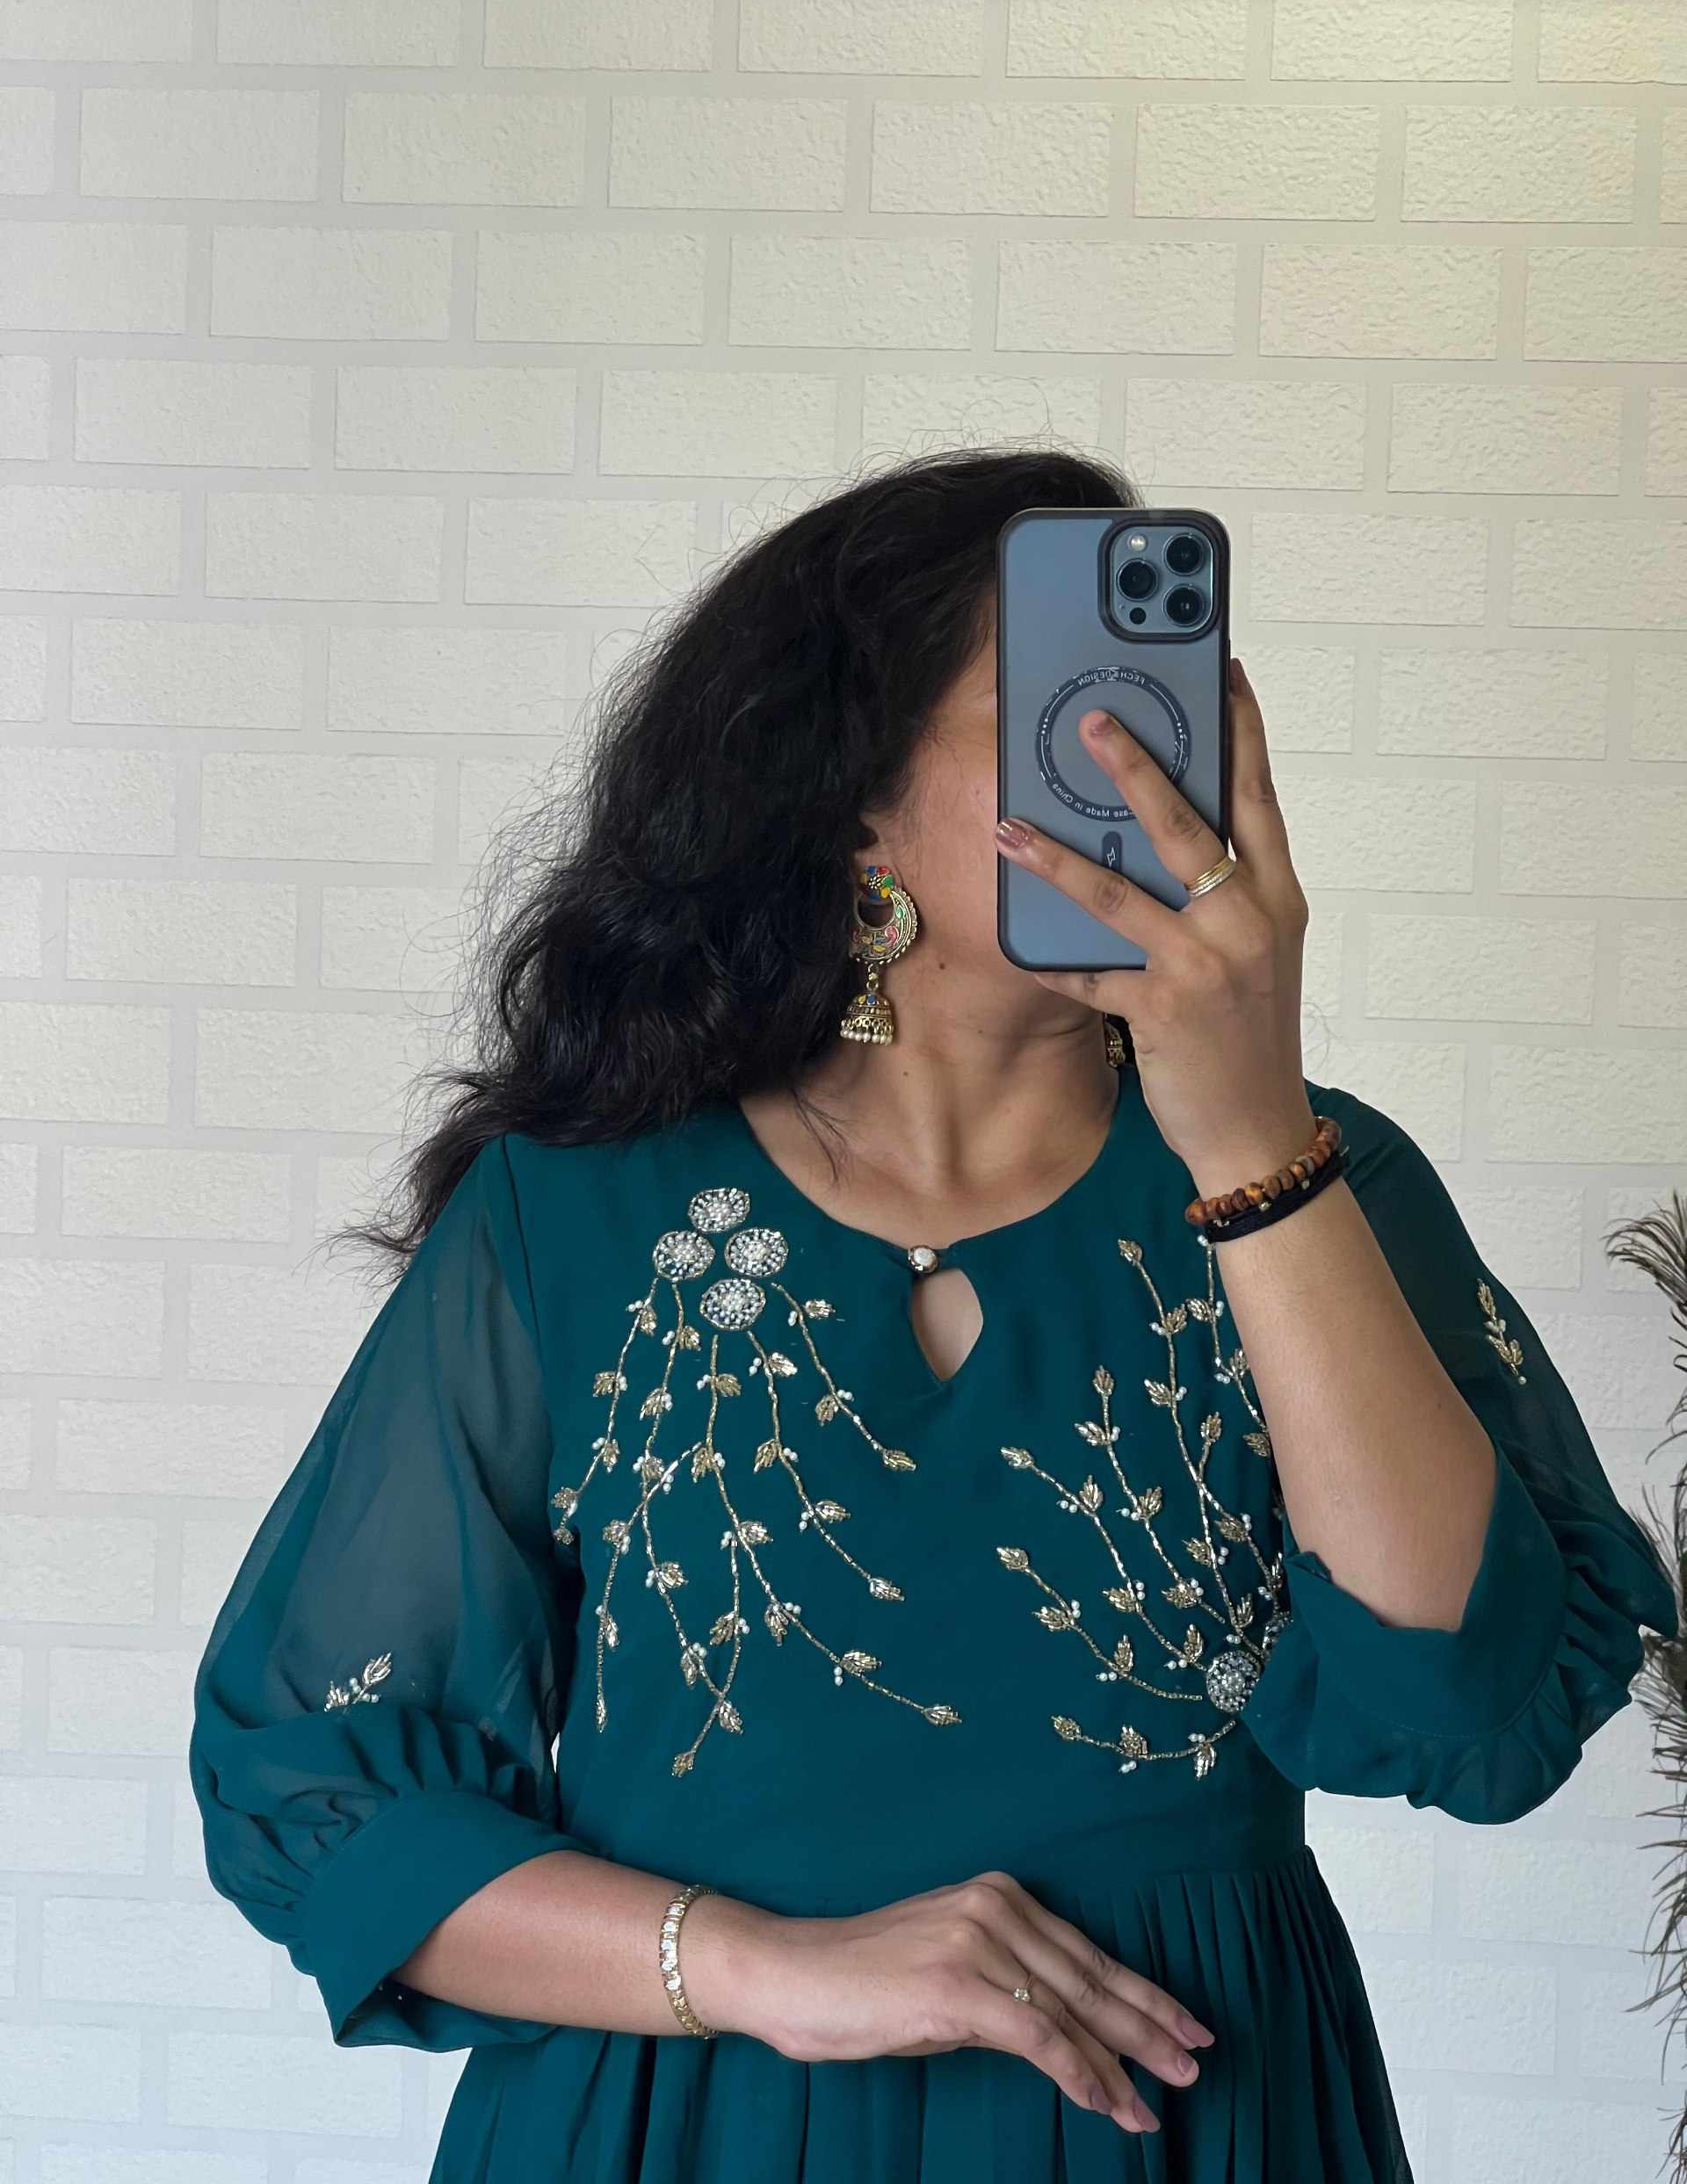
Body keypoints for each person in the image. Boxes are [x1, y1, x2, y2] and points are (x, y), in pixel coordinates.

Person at [188, 446, 1676, 2183]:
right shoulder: (568, 1215)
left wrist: (1251, 1139)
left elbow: (1472, 1716)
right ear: (851, 799)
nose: (1140, 765)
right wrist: (765, 1966)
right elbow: (319, 1801)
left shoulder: (1319, 1178)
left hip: (1187, 2127)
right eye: (1062, 708)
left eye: (1170, 708)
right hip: (688, 2130)